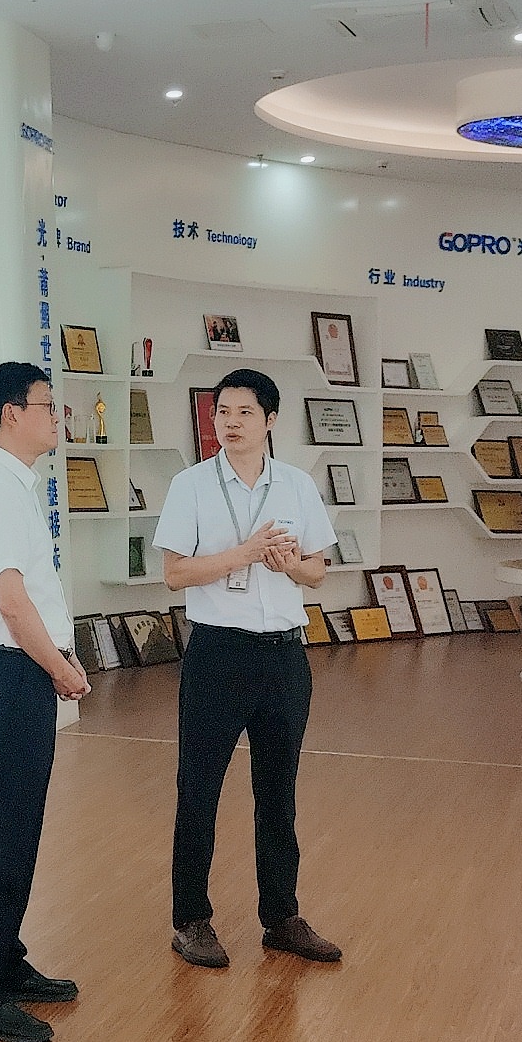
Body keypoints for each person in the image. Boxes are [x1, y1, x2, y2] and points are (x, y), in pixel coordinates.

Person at [154, 368, 344, 970]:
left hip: (284, 656)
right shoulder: (190, 485)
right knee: (199, 791)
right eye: (222, 412)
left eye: (244, 412)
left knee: (278, 792)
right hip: (217, 654)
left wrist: (289, 564)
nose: (230, 423)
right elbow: (175, 573)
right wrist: (245, 554)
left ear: (270, 420)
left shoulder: (297, 486)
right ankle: (191, 920)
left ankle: (282, 917)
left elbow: (318, 572)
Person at [0, 362, 91, 1042]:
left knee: (16, 831)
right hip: (8, 677)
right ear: (12, 413)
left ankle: (3, 961)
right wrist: (59, 666)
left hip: (17, 674)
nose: (56, 417)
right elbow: (11, 602)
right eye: (46, 405)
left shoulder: (12, 485)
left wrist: (57, 660)